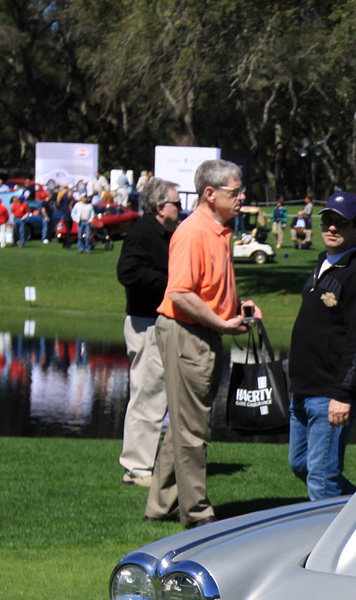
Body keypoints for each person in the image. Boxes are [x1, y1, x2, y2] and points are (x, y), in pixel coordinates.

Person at [144, 159, 260, 529]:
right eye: (235, 191)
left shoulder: (218, 231)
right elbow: (179, 293)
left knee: (185, 422)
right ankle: (197, 514)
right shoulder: (193, 232)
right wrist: (222, 322)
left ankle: (161, 505)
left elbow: (206, 290)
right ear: (209, 194)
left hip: (202, 332)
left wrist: (235, 310)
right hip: (186, 334)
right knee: (193, 429)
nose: (242, 197)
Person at [287, 190, 356, 501]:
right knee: (301, 465)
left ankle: (331, 547)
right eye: (328, 221)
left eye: (341, 223)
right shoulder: (324, 264)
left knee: (321, 478)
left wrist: (343, 394)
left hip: (331, 393)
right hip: (304, 389)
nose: (332, 228)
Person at [116, 177, 181, 488]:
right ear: (159, 208)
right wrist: (168, 283)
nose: (180, 210)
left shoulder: (164, 234)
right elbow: (126, 271)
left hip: (157, 322)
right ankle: (137, 468)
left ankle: (145, 463)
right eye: (176, 204)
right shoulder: (143, 232)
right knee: (147, 394)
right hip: (146, 323)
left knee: (156, 394)